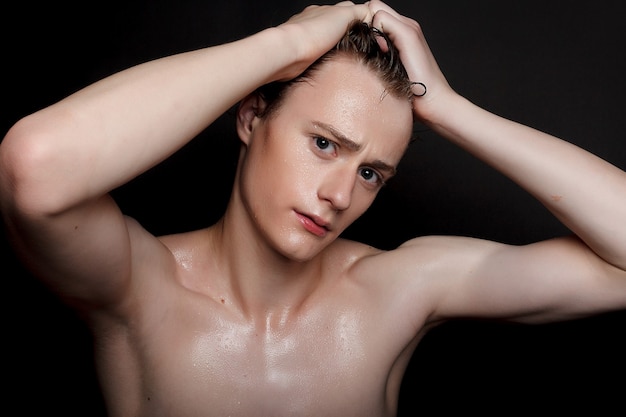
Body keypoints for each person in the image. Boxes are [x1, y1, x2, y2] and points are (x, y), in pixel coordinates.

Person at [1, 1, 625, 416]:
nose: (339, 194)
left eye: (371, 172)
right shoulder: (142, 287)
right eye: (324, 143)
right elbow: (35, 165)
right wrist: (287, 44)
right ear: (251, 117)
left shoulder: (396, 292)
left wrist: (450, 110)